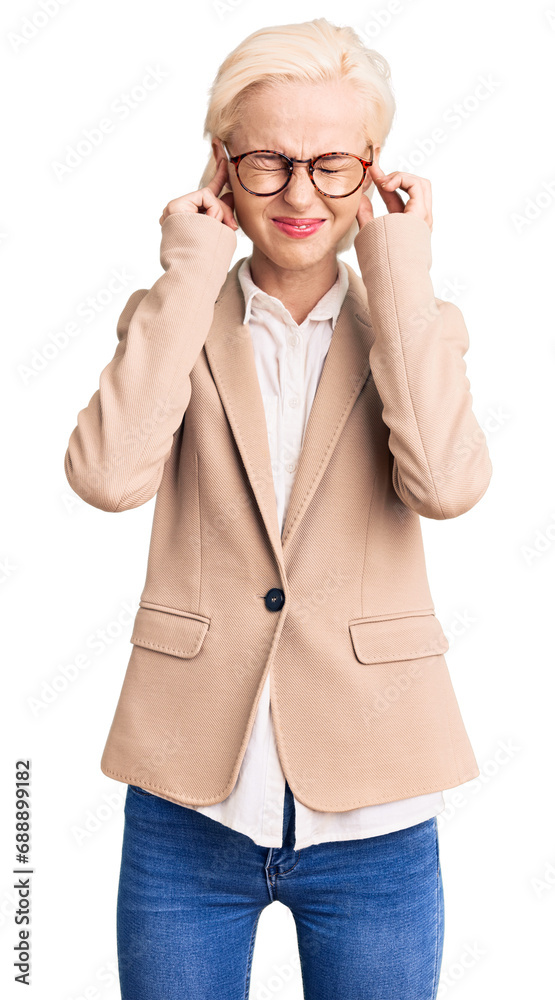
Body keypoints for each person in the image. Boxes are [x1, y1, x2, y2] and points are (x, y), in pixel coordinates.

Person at [64, 17, 492, 1000]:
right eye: (268, 162)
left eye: (333, 165)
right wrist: (188, 270)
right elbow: (107, 477)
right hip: (187, 808)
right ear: (222, 165)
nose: (301, 195)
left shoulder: (415, 322)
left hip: (376, 807)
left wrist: (401, 267)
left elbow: (446, 486)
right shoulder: (172, 320)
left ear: (374, 171)